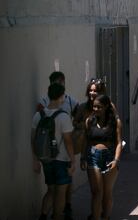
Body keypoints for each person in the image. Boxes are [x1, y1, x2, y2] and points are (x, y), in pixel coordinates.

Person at [36, 71, 78, 219]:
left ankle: (42, 216)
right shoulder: (64, 117)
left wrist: (36, 158)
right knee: (60, 192)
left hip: (46, 158)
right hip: (61, 159)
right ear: (61, 97)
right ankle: (58, 216)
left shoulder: (39, 114)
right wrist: (73, 160)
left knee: (50, 191)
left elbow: (33, 138)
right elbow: (68, 141)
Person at [81, 95, 122, 220]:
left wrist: (116, 160)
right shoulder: (89, 121)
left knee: (107, 193)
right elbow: (85, 141)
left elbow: (119, 142)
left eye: (99, 107)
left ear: (106, 107)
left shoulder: (115, 122)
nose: (96, 109)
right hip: (93, 156)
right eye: (94, 106)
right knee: (97, 192)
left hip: (110, 157)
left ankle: (106, 217)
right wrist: (83, 158)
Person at [73, 79, 108, 155]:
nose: (92, 93)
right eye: (90, 90)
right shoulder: (82, 107)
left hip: (104, 147)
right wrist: (84, 126)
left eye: (95, 91)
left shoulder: (107, 107)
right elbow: (75, 122)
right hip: (88, 148)